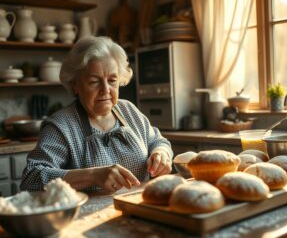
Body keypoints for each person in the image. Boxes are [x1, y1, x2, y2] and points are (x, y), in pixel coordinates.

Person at [20, 36, 173, 193]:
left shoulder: (129, 110)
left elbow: (158, 141)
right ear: (75, 86)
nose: (106, 89)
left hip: (138, 207)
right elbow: (31, 178)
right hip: (88, 216)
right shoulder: (61, 126)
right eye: (94, 81)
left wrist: (161, 153)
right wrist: (92, 175)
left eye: (112, 80)